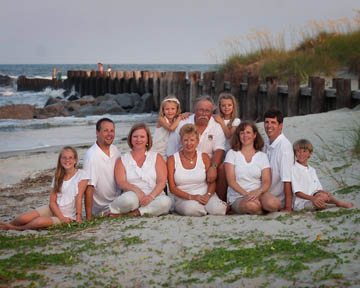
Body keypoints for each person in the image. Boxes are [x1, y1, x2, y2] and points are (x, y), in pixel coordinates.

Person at [0, 147, 88, 230]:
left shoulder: (81, 175)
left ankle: (14, 228)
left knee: (38, 222)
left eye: (70, 157)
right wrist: (59, 216)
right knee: (23, 218)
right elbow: (52, 202)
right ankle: (6, 225)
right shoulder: (58, 176)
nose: (67, 160)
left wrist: (78, 217)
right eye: (64, 158)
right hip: (53, 209)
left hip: (67, 216)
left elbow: (79, 197)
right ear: (60, 160)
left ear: (75, 160)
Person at [166, 95, 227, 201]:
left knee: (222, 168)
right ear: (194, 110)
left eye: (207, 111)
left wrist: (213, 166)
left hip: (208, 164)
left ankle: (221, 201)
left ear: (212, 112)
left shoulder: (216, 125)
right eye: (201, 110)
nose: (203, 114)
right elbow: (171, 149)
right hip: (185, 162)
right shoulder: (182, 123)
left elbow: (220, 149)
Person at [109, 123, 172, 217]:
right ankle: (121, 210)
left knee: (166, 202)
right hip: (132, 196)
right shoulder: (122, 159)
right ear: (130, 138)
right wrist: (137, 191)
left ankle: (134, 213)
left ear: (147, 139)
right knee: (128, 200)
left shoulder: (156, 157)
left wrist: (151, 196)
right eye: (135, 136)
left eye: (142, 136)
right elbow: (121, 182)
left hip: (154, 196)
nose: (138, 140)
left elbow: (161, 182)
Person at [168, 124, 227, 216]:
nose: (189, 143)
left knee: (218, 210)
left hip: (204, 194)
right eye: (185, 140)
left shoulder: (204, 157)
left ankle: (211, 207)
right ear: (181, 141)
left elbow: (211, 181)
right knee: (191, 210)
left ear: (197, 141)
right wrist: (192, 197)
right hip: (184, 198)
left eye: (192, 140)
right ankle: (204, 209)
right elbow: (172, 188)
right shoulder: (172, 159)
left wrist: (208, 195)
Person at [292, 139, 354, 211]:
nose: (301, 154)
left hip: (314, 197)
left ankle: (339, 203)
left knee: (324, 195)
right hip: (301, 204)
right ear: (295, 153)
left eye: (304, 151)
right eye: (298, 151)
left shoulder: (312, 170)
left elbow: (317, 189)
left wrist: (324, 193)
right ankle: (328, 208)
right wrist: (313, 199)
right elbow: (297, 192)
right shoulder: (294, 169)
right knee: (316, 203)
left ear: (310, 153)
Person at [224, 121, 271, 214]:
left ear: (254, 135)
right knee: (251, 206)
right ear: (238, 136)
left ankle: (260, 207)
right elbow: (231, 181)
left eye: (248, 132)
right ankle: (259, 209)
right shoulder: (232, 154)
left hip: (258, 193)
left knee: (273, 204)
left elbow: (266, 181)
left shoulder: (262, 156)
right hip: (238, 195)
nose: (245, 135)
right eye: (242, 133)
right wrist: (247, 195)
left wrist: (258, 192)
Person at [83, 118, 121, 219]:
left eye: (112, 131)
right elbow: (89, 188)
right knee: (131, 201)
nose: (109, 134)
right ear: (97, 132)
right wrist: (88, 217)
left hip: (118, 199)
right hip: (103, 207)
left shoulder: (115, 150)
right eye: (105, 130)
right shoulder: (91, 156)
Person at [263, 108, 294, 212]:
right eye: (266, 122)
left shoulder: (284, 146)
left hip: (276, 198)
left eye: (273, 122)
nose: (269, 126)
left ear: (280, 125)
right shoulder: (267, 144)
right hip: (265, 192)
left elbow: (287, 179)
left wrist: (288, 208)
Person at [151, 95, 190, 160]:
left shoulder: (175, 119)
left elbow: (192, 114)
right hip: (158, 149)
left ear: (177, 109)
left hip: (170, 149)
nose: (170, 111)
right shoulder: (161, 119)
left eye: (173, 109)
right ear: (163, 110)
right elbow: (171, 128)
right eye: (167, 109)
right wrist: (179, 118)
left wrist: (186, 113)